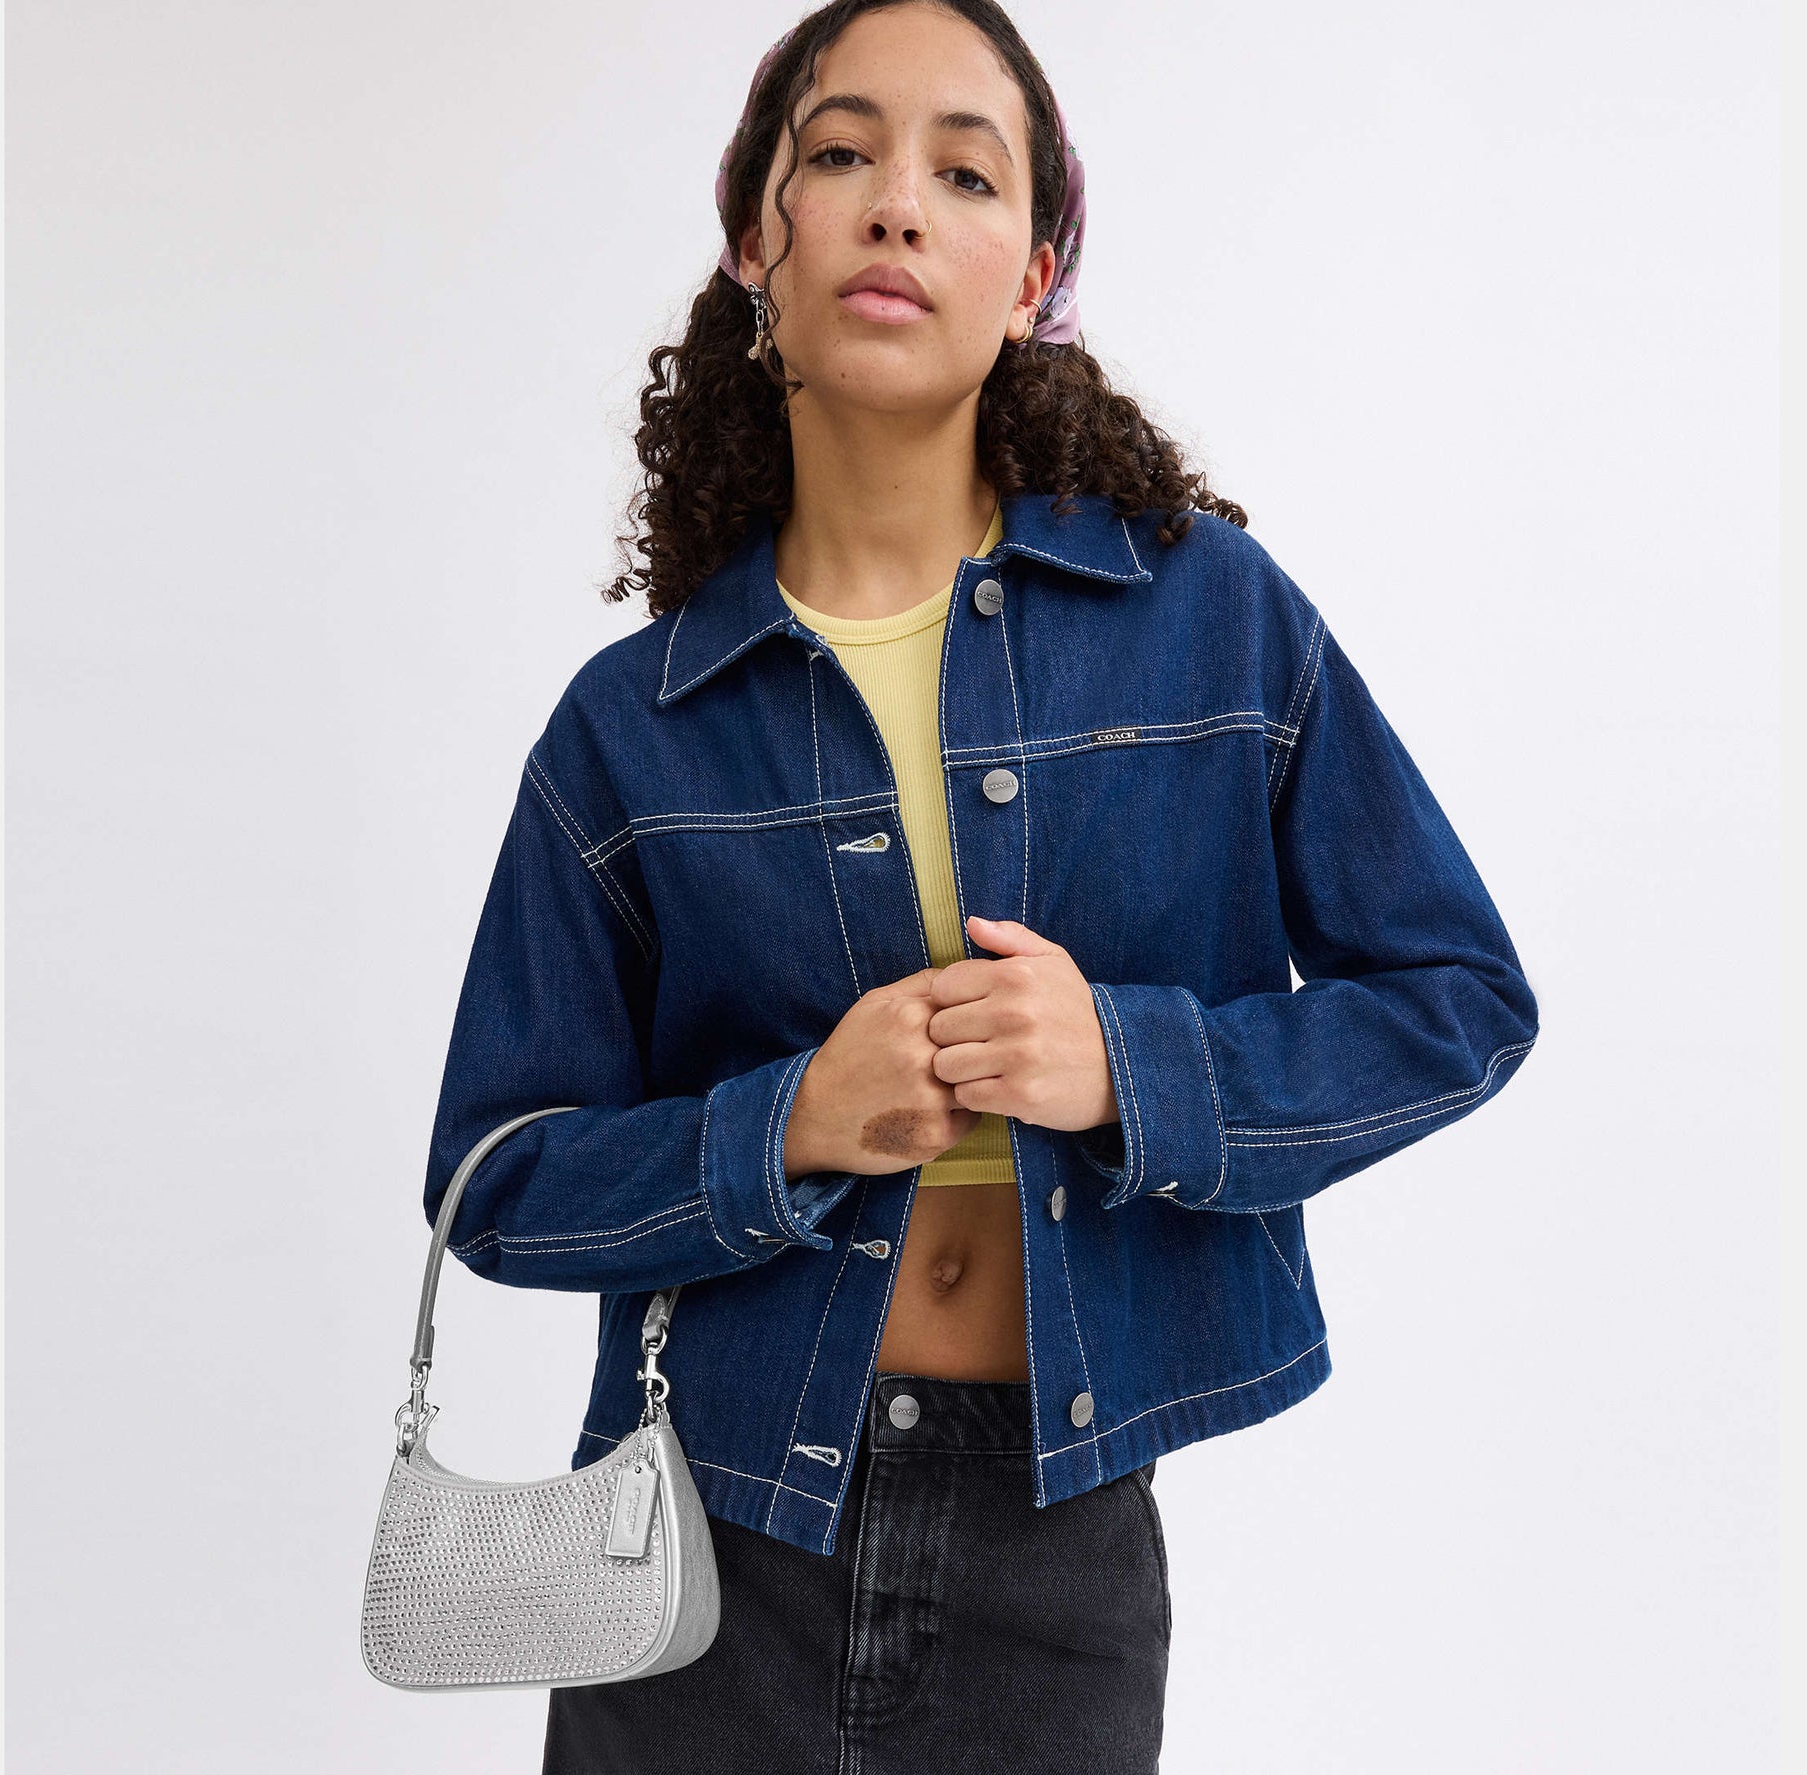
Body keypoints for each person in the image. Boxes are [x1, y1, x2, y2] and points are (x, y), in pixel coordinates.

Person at [419, 3, 1541, 1769]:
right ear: (756, 243)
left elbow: (1456, 1003)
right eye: (840, 153)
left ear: (1029, 279)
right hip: (703, 1548)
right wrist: (787, 1123)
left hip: (1054, 1560)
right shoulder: (629, 726)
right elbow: (495, 1180)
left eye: (963, 172)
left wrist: (1132, 1067)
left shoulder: (1212, 619)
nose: (895, 204)